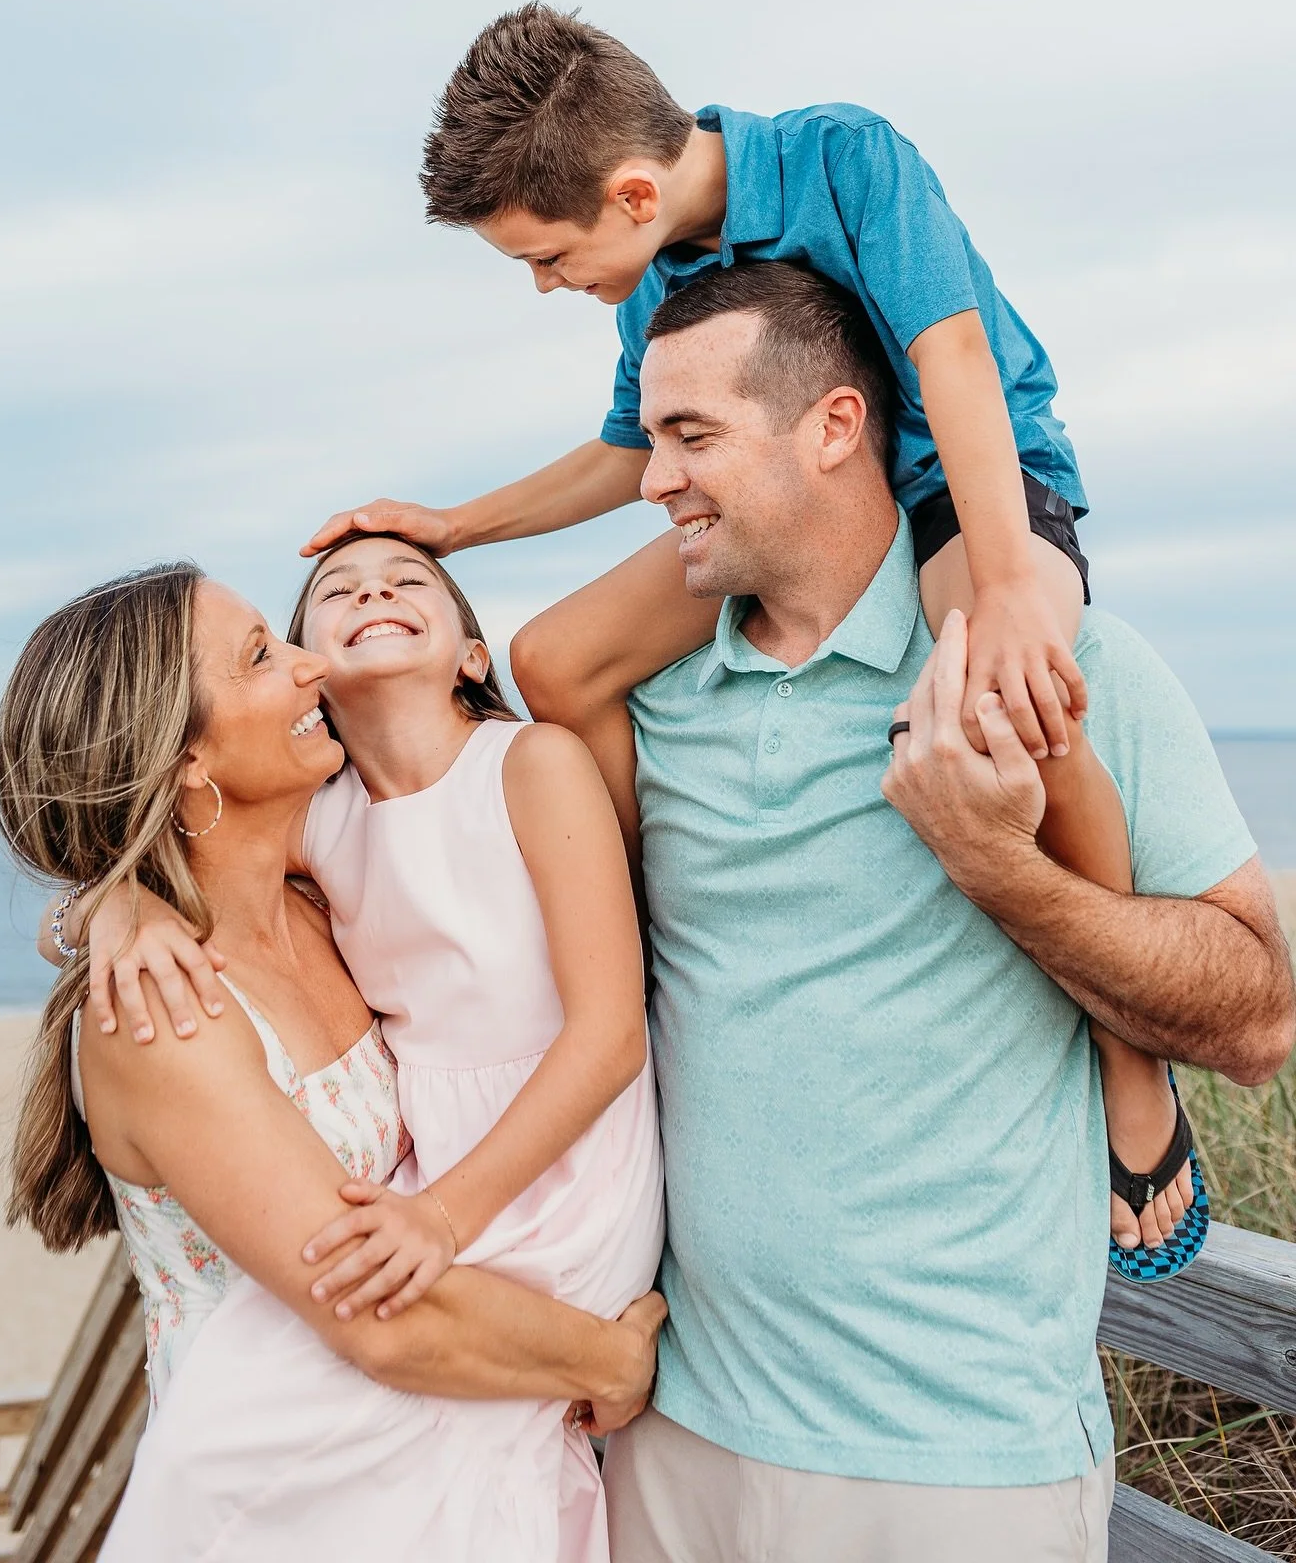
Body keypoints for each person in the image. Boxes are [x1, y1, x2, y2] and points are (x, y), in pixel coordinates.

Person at [304, 3, 1195, 1271]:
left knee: (1008, 692)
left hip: (962, 483)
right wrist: (451, 528)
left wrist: (1002, 593)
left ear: (627, 192)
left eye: (545, 259)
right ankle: (641, 943)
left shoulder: (846, 158)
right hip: (774, 508)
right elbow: (630, 456)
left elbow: (955, 370)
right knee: (556, 660)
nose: (548, 286)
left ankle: (1130, 1057)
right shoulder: (658, 279)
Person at [511, 261, 1295, 1561]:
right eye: (651, 437)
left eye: (691, 436)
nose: (651, 479)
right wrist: (119, 916)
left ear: (834, 425)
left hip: (957, 1468)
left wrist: (1001, 871)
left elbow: (1259, 1017)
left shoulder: (1062, 662)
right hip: (674, 1437)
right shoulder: (645, 703)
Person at [0, 562, 664, 1562]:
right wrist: (611, 1360)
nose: (311, 663)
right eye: (263, 655)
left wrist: (107, 902)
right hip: (295, 1490)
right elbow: (380, 1322)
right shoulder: (168, 1011)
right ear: (183, 761)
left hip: (429, 1447)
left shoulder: (321, 910)